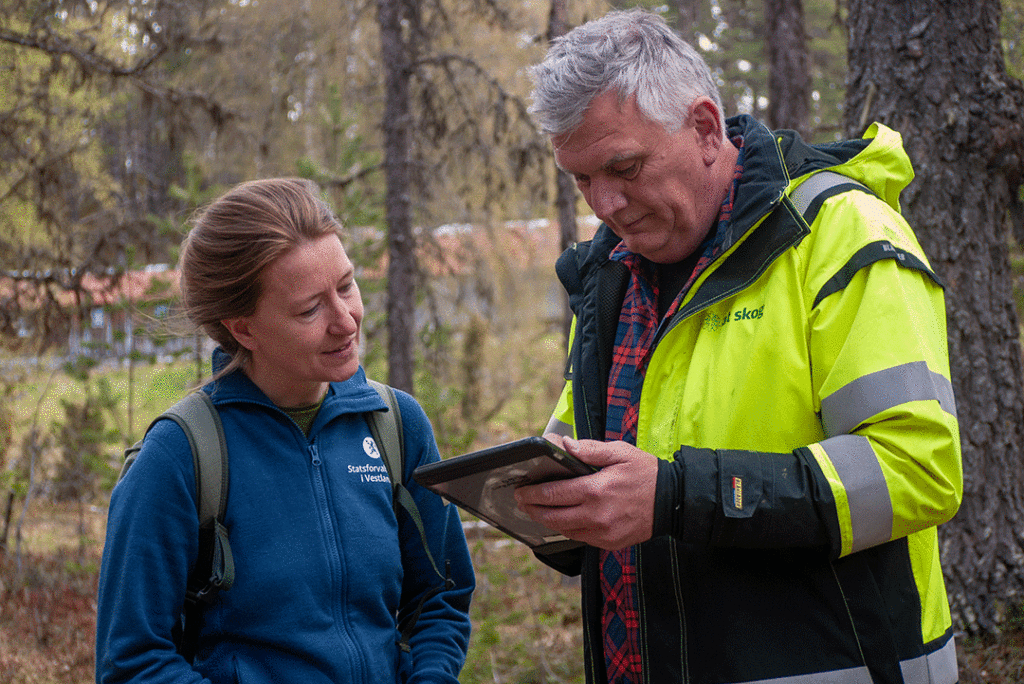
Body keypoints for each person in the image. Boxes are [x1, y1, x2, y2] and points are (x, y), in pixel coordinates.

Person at [515, 9, 961, 684]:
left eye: (624, 166)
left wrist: (676, 496)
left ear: (702, 127)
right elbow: (585, 455)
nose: (604, 202)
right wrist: (554, 500)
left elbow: (917, 470)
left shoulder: (839, 235)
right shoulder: (606, 276)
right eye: (581, 179)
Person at [95, 178, 474, 684]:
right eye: (309, 309)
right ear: (243, 328)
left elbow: (439, 598)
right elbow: (132, 662)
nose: (346, 321)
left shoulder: (396, 425)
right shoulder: (181, 456)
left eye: (346, 286)